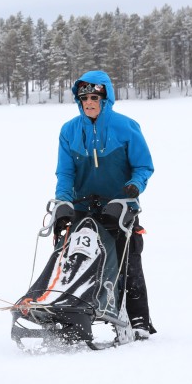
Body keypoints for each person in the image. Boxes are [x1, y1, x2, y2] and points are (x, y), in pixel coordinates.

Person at [54, 70, 156, 339]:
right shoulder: (69, 131)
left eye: (94, 98)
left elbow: (144, 166)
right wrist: (63, 201)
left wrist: (134, 186)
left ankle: (138, 320)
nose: (89, 103)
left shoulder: (126, 127)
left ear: (106, 98)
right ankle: (70, 311)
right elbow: (65, 173)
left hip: (119, 206)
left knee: (128, 259)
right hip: (83, 205)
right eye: (84, 98)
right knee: (70, 257)